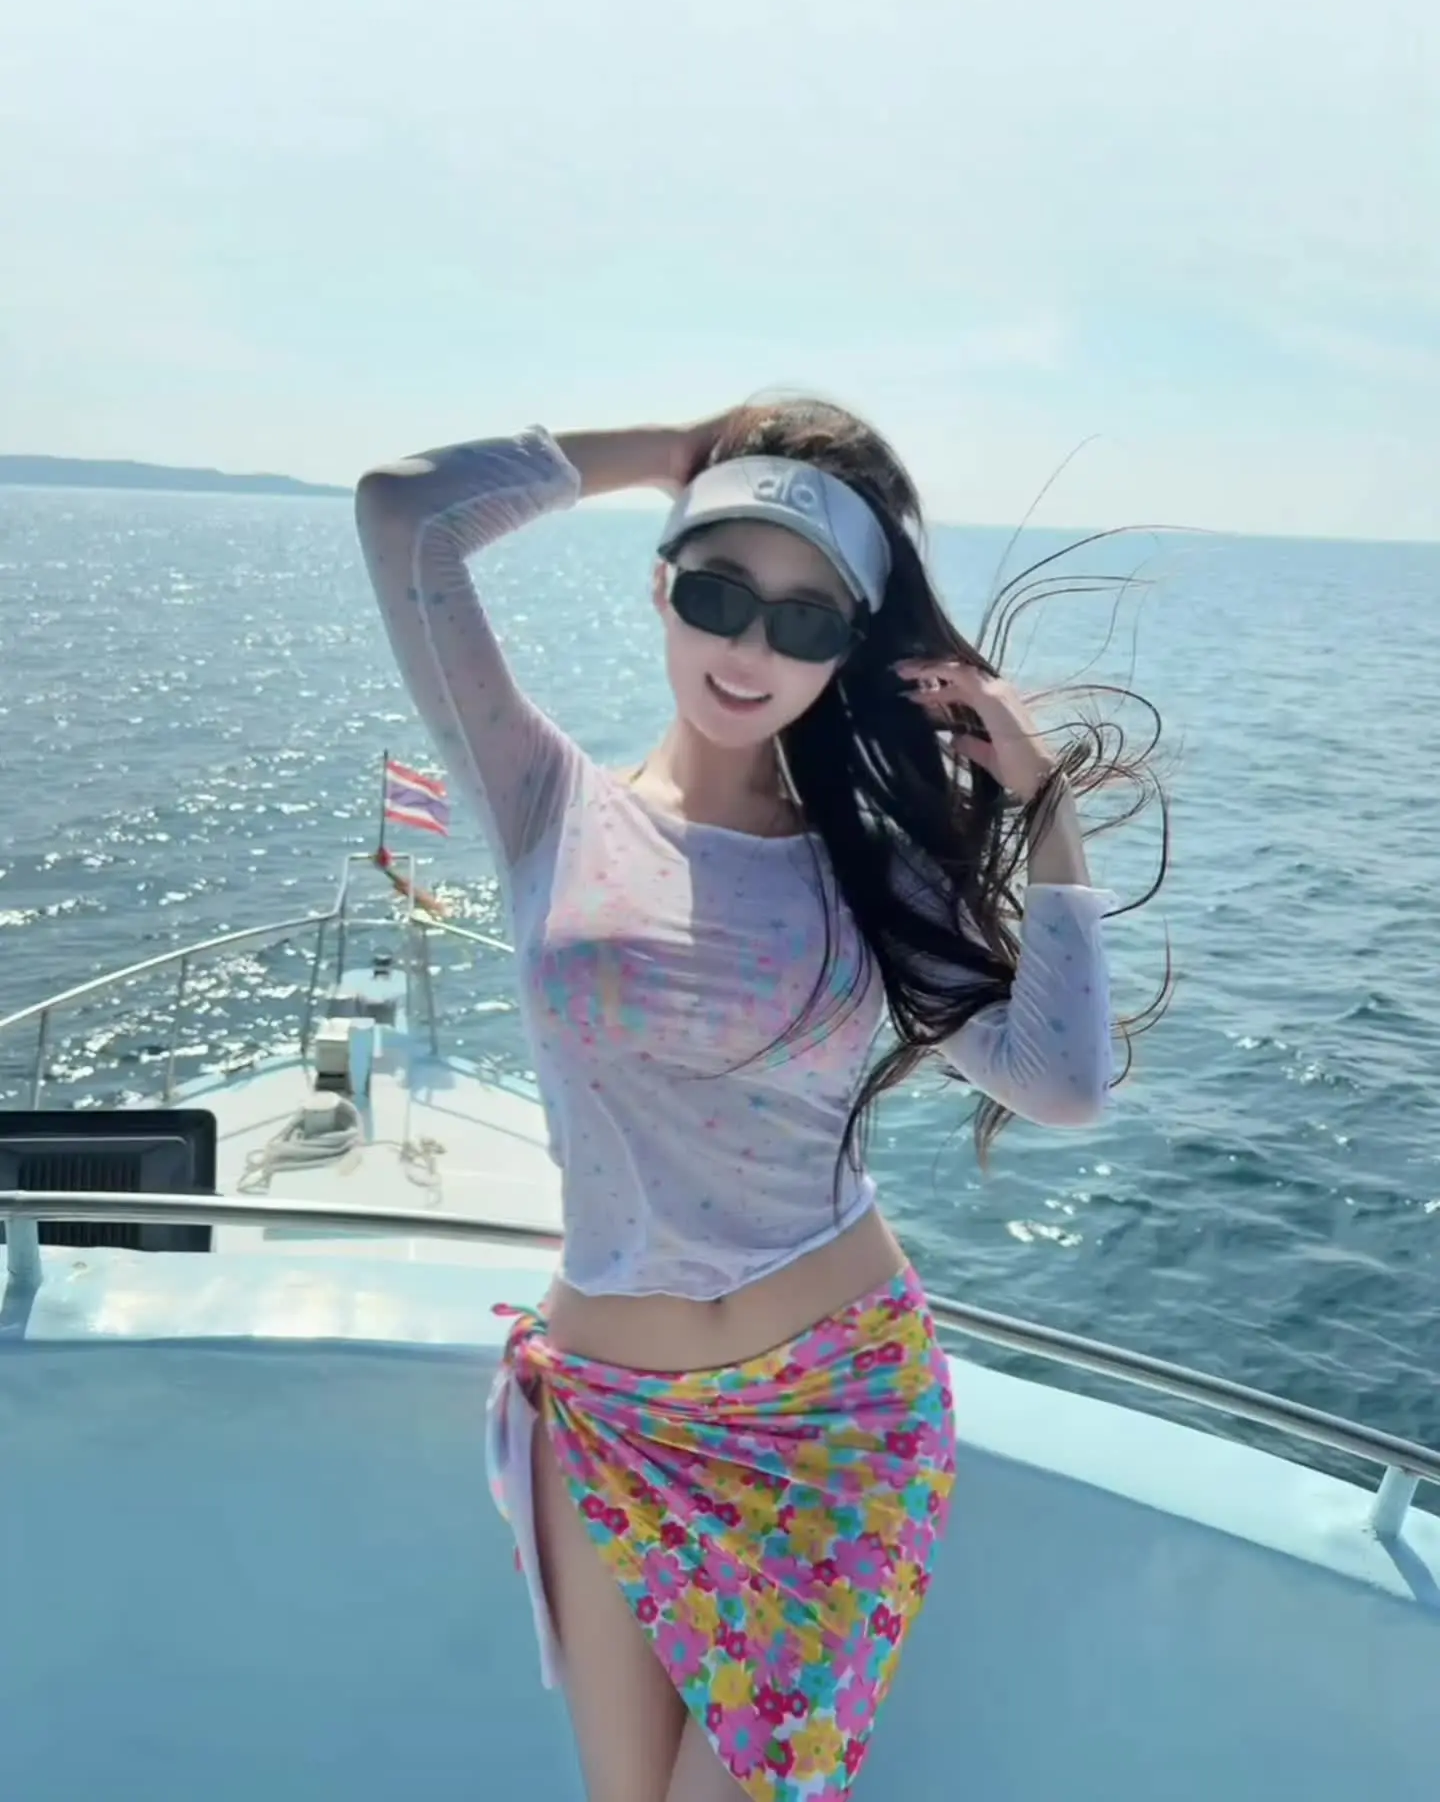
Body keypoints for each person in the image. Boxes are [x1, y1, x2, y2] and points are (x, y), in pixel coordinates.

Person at [354, 399, 1149, 1802]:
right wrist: (676, 450)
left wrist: (1047, 807)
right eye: (719, 593)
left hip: (838, 1416)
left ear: (847, 651)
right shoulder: (545, 800)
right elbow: (402, 513)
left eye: (803, 620)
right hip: (611, 1417)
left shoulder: (874, 869)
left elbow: (1065, 1082)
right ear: (659, 584)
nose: (748, 650)